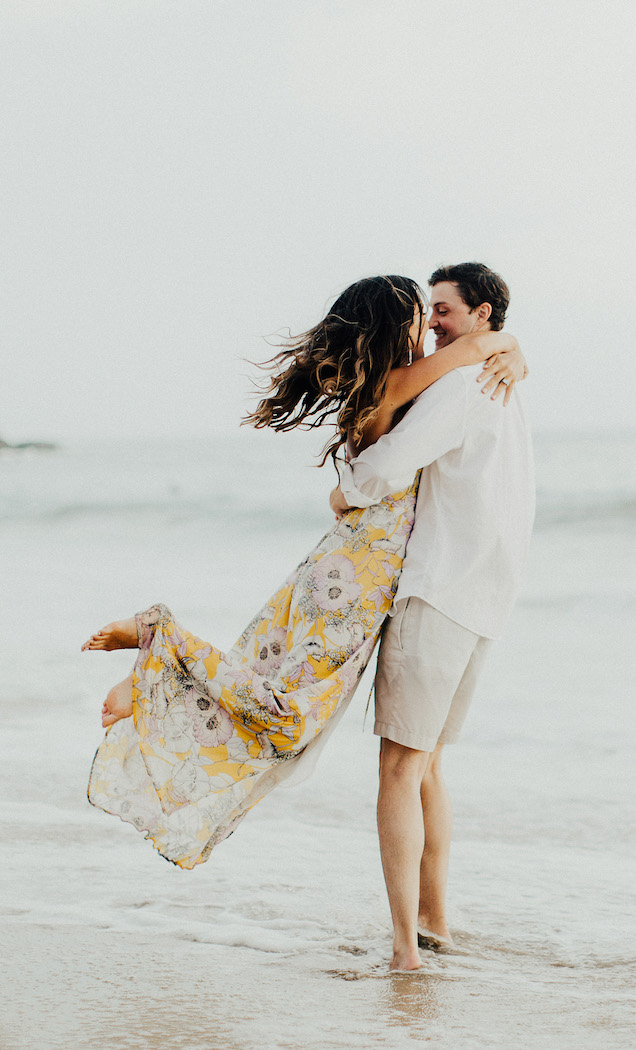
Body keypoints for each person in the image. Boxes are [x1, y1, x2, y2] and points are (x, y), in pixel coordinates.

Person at [82, 274, 527, 871]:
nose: (433, 327)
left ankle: (154, 680)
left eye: (439, 313)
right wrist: (501, 344)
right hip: (357, 577)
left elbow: (474, 356)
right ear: (398, 329)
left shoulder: (394, 385)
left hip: (347, 568)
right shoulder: (402, 383)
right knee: (289, 710)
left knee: (270, 678)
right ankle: (158, 637)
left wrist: (510, 349)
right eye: (425, 316)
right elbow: (473, 351)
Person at [331, 262, 536, 971]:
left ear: (481, 315)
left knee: (396, 768)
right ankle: (433, 921)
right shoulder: (506, 386)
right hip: (483, 599)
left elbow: (383, 471)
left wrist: (346, 487)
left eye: (445, 311)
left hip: (438, 593)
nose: (435, 324)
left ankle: (402, 952)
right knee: (425, 767)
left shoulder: (462, 383)